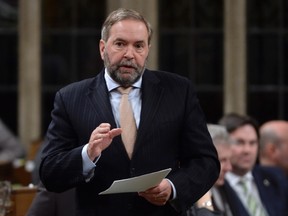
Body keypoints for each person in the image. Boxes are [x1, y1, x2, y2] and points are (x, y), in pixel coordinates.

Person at [39, 8, 220, 216]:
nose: (129, 54)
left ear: (147, 50)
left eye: (138, 46)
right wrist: (88, 154)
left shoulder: (178, 91)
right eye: (120, 44)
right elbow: (49, 172)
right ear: (102, 48)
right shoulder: (71, 98)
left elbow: (206, 162)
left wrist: (172, 187)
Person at [219, 113, 288, 216]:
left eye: (252, 143)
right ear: (223, 144)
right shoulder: (216, 184)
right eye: (239, 142)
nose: (247, 150)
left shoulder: (274, 177)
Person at [187, 124, 232, 216]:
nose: (229, 168)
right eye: (223, 160)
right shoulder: (186, 194)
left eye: (230, 160)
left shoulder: (226, 188)